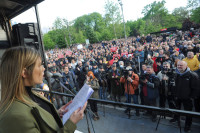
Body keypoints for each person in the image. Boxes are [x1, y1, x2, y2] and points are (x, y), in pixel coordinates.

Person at [0, 46, 87, 133]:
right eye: (39, 65)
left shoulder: (30, 93)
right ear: (25, 72)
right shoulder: (15, 117)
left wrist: (56, 113)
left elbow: (37, 119)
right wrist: (71, 123)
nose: (44, 68)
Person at [171, 60, 199, 132]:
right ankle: (176, 118)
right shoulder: (176, 74)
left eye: (181, 65)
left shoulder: (192, 75)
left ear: (186, 66)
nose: (179, 66)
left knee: (188, 113)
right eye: (178, 65)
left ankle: (188, 125)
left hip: (187, 98)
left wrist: (191, 97)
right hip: (178, 96)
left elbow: (196, 88)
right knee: (177, 109)